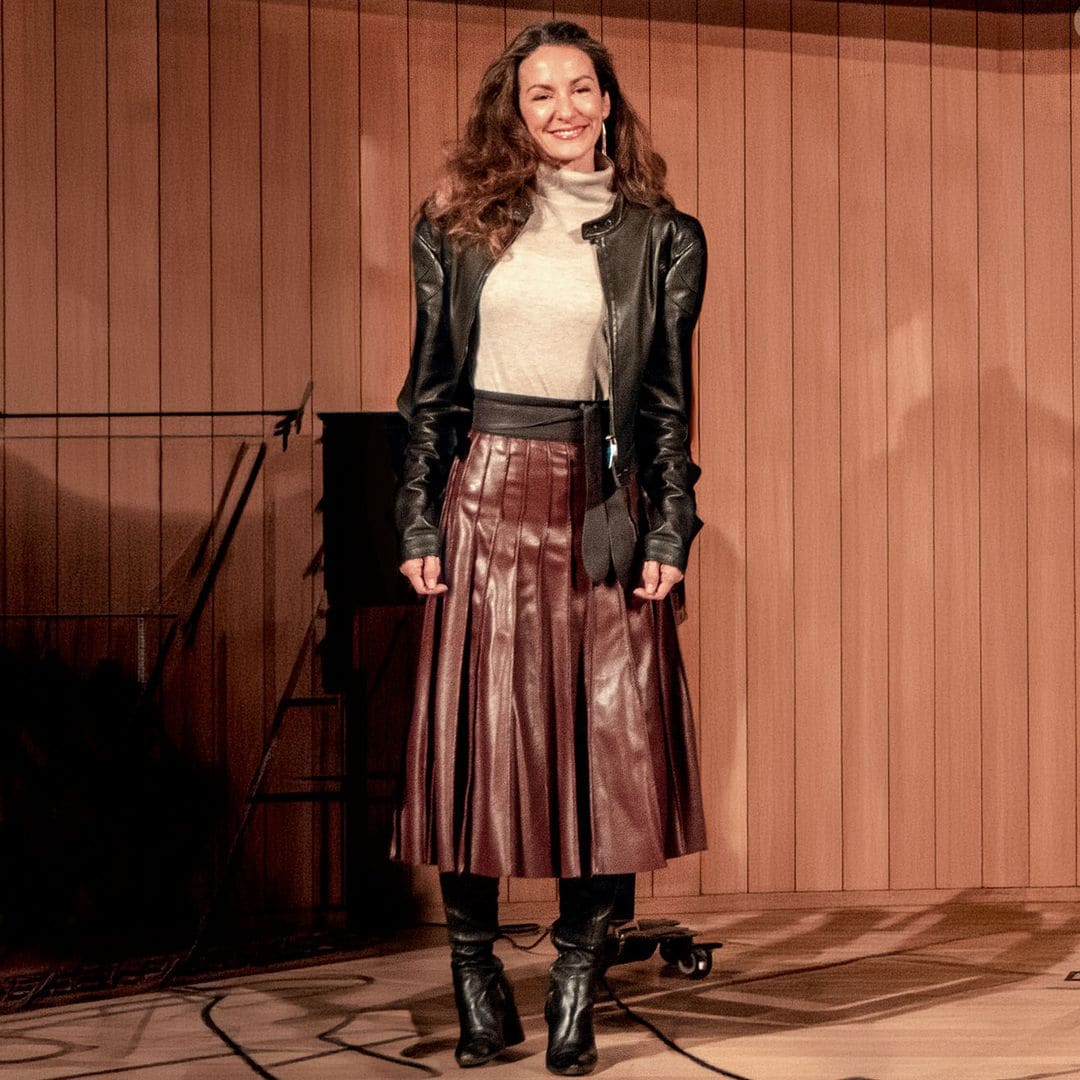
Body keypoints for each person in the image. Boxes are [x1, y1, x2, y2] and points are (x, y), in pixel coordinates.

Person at [389, 19, 708, 1075]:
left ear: (608, 102)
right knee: (475, 749)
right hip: (484, 498)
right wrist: (417, 517)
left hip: (600, 505)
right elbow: (429, 394)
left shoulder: (664, 238)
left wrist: (670, 526)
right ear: (513, 112)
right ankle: (474, 974)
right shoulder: (455, 228)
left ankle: (576, 978)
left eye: (581, 89)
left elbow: (665, 408)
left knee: (606, 756)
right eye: (541, 94)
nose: (564, 109)